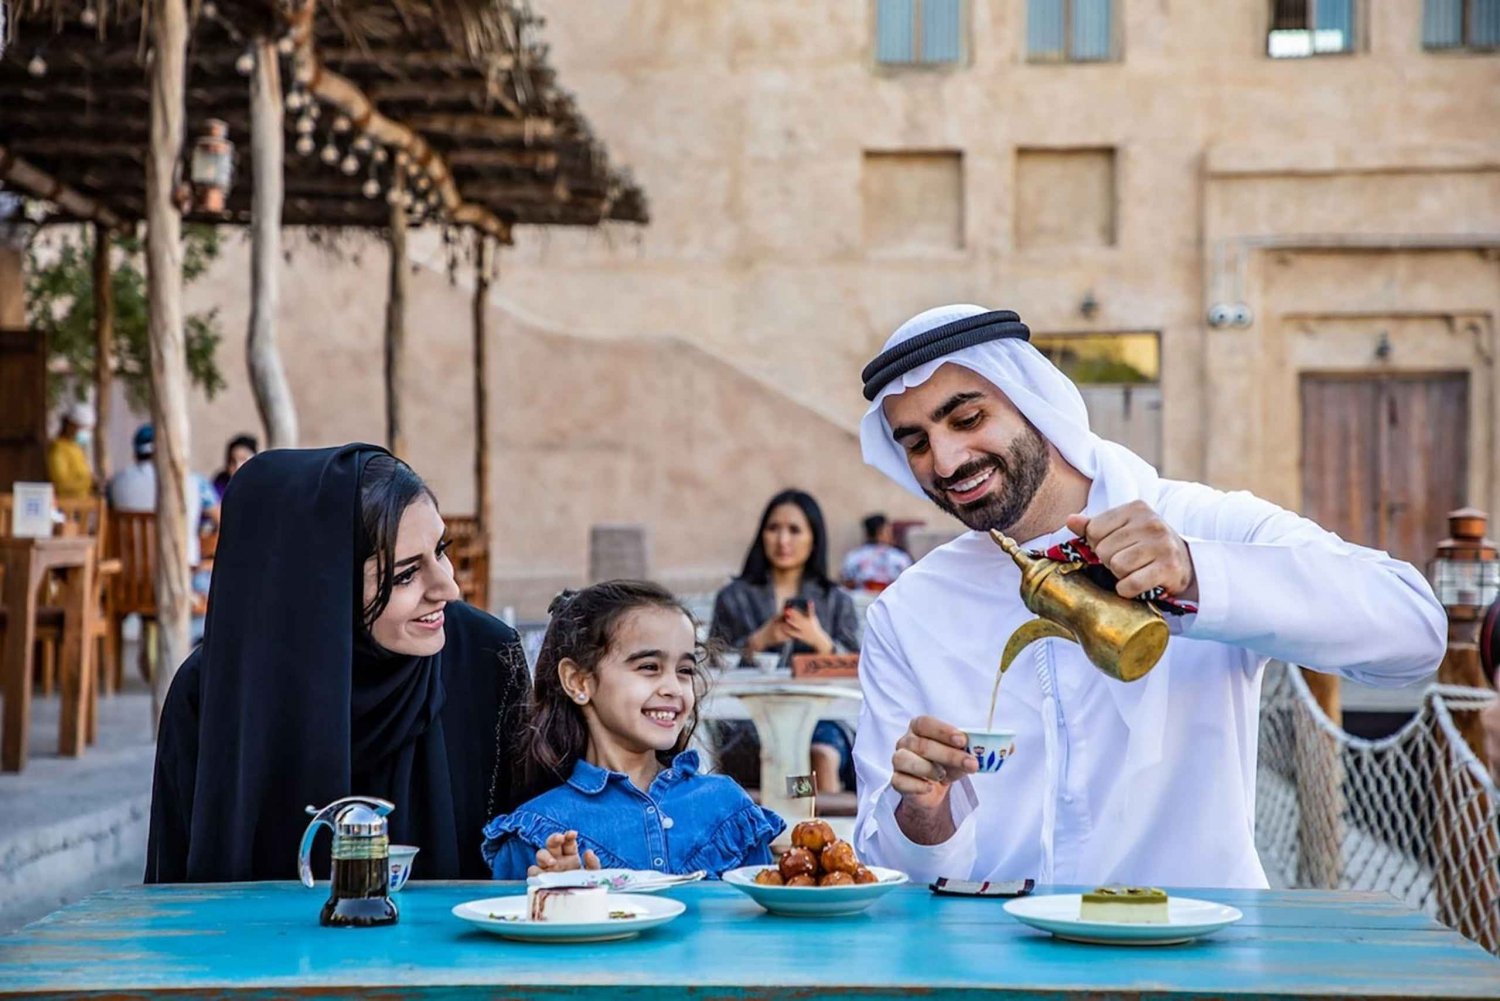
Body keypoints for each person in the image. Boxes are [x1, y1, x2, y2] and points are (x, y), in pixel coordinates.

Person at [851, 304, 1447, 889]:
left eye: (968, 419)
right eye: (917, 443)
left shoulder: (1200, 525)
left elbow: (1414, 635)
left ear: (1030, 402)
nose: (947, 460)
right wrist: (925, 813)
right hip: (1000, 964)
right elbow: (888, 870)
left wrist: (1196, 573)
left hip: (1198, 958)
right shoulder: (908, 613)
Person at [145, 445, 531, 882]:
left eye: (441, 550)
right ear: (322, 594)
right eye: (404, 575)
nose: (448, 587)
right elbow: (177, 894)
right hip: (261, 949)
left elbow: (532, 854)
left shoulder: (485, 659)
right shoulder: (213, 692)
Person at [482, 581, 783, 878]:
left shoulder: (728, 806)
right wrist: (566, 898)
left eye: (685, 671)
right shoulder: (539, 833)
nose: (672, 688)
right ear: (578, 681)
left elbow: (765, 922)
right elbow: (512, 923)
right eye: (649, 667)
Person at [710, 489, 861, 792]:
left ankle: (816, 833)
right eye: (773, 528)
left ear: (813, 537)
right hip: (750, 723)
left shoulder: (834, 600)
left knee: (819, 755)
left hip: (822, 718)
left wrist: (822, 644)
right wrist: (756, 642)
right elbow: (711, 664)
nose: (783, 540)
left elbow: (861, 667)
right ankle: (793, 827)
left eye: (794, 530)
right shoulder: (735, 597)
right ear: (761, 534)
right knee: (787, 757)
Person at [840, 513, 913, 590]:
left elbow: (846, 583)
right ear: (881, 533)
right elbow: (909, 583)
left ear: (867, 534)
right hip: (890, 599)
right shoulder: (899, 557)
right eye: (888, 531)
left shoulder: (853, 556)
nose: (892, 535)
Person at [46, 401, 96, 499]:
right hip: (67, 506)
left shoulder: (76, 448)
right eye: (83, 428)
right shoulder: (57, 449)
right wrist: (89, 482)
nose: (86, 433)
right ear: (70, 425)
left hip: (81, 506)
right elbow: (61, 484)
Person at [212, 433, 259, 501]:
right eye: (232, 461)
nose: (238, 466)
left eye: (243, 459)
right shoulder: (220, 484)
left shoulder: (263, 484)